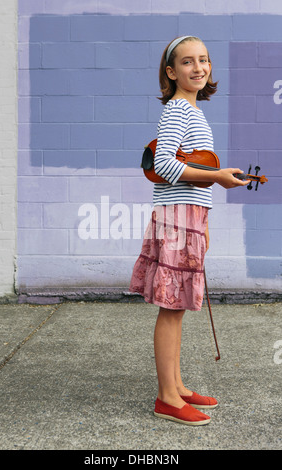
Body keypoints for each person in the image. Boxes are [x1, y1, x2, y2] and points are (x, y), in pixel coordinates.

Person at [129, 36, 249, 426]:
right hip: (176, 216)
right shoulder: (178, 110)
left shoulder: (194, 111)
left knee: (177, 307)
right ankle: (166, 398)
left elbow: (193, 176)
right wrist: (217, 175)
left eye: (204, 60)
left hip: (189, 216)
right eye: (187, 62)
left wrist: (205, 221)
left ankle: (176, 385)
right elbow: (163, 164)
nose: (198, 68)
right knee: (171, 306)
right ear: (171, 71)